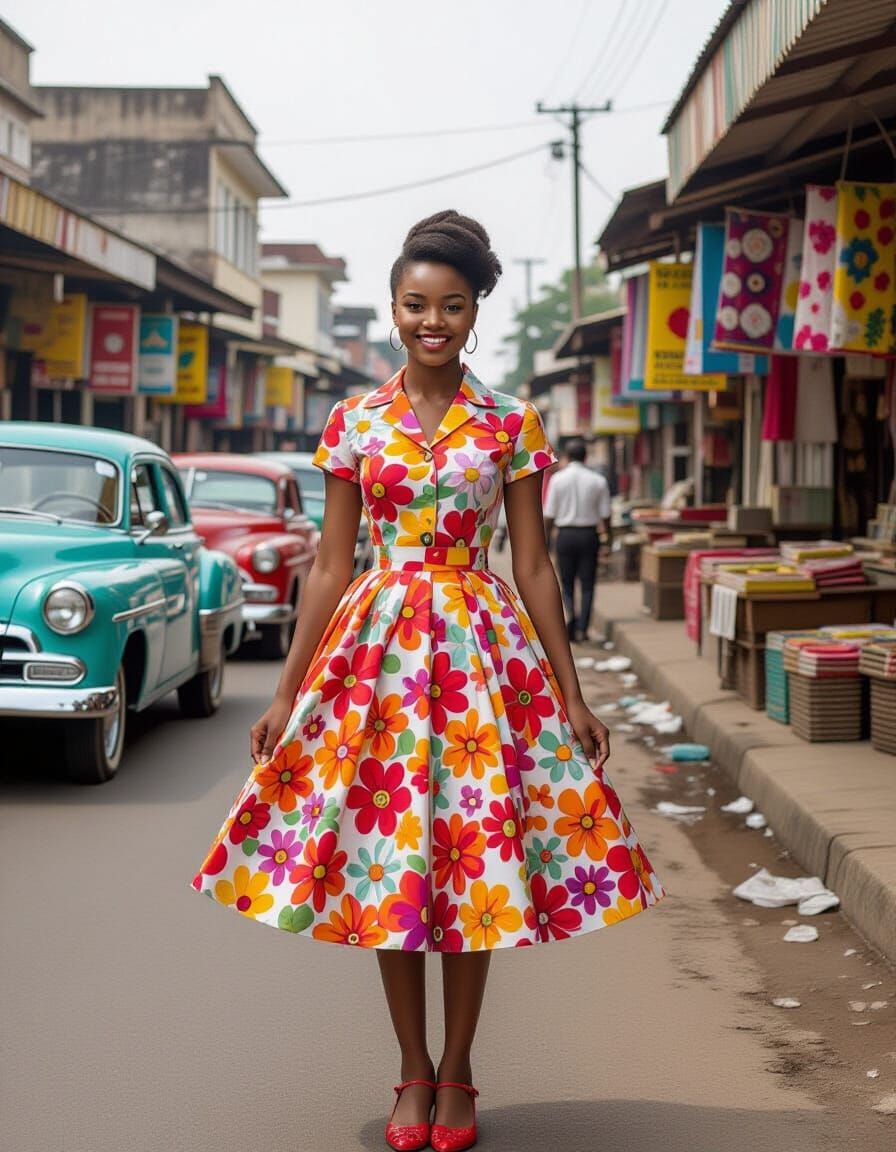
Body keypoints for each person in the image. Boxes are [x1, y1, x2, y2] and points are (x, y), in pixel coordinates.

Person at [191, 211, 663, 1152]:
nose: (430, 321)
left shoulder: (511, 421)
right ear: (398, 310)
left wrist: (571, 693)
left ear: (474, 308)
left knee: (477, 860)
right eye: (414, 305)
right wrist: (285, 694)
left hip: (485, 661)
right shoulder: (354, 419)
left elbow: (532, 566)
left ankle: (461, 1072)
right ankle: (412, 1069)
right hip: (378, 664)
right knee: (390, 866)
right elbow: (329, 565)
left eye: (450, 305)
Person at [543, 439, 611, 643]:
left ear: (567, 457)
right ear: (585, 457)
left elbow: (549, 515)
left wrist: (546, 542)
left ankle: (571, 620)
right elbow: (606, 515)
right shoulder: (598, 480)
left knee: (567, 583)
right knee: (588, 584)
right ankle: (583, 628)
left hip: (565, 536)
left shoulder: (558, 479)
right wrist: (608, 540)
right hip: (589, 536)